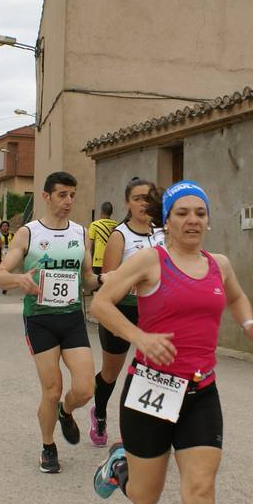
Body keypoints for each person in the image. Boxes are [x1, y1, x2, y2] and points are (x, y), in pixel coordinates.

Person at [91, 181, 253, 504]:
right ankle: (122, 466)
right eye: (183, 213)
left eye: (200, 213)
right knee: (147, 499)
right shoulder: (150, 260)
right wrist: (139, 337)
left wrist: (248, 322)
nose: (193, 220)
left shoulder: (219, 264)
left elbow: (234, 296)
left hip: (200, 393)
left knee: (201, 489)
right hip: (151, 389)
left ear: (208, 219)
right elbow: (100, 302)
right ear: (167, 221)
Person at [0, 172, 98, 473]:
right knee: (51, 390)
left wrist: (106, 279)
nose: (68, 201)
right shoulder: (29, 233)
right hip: (40, 320)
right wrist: (18, 279)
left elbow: (87, 278)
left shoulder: (81, 232)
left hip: (72, 317)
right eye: (62, 194)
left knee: (85, 389)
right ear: (46, 197)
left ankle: (67, 411)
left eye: (72, 195)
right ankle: (48, 446)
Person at [90, 178, 164, 446]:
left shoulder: (163, 233)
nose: (143, 203)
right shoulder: (120, 236)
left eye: (148, 198)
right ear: (127, 203)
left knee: (156, 371)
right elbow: (109, 284)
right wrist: (135, 281)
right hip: (122, 312)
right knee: (111, 372)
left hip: (155, 313)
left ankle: (149, 428)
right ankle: (98, 413)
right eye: (137, 198)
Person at [0, 220, 13, 294]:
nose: (5, 227)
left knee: (8, 272)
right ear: (0, 228)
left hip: (11, 257)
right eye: (3, 226)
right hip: (2, 257)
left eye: (6, 226)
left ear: (8, 227)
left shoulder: (12, 235)